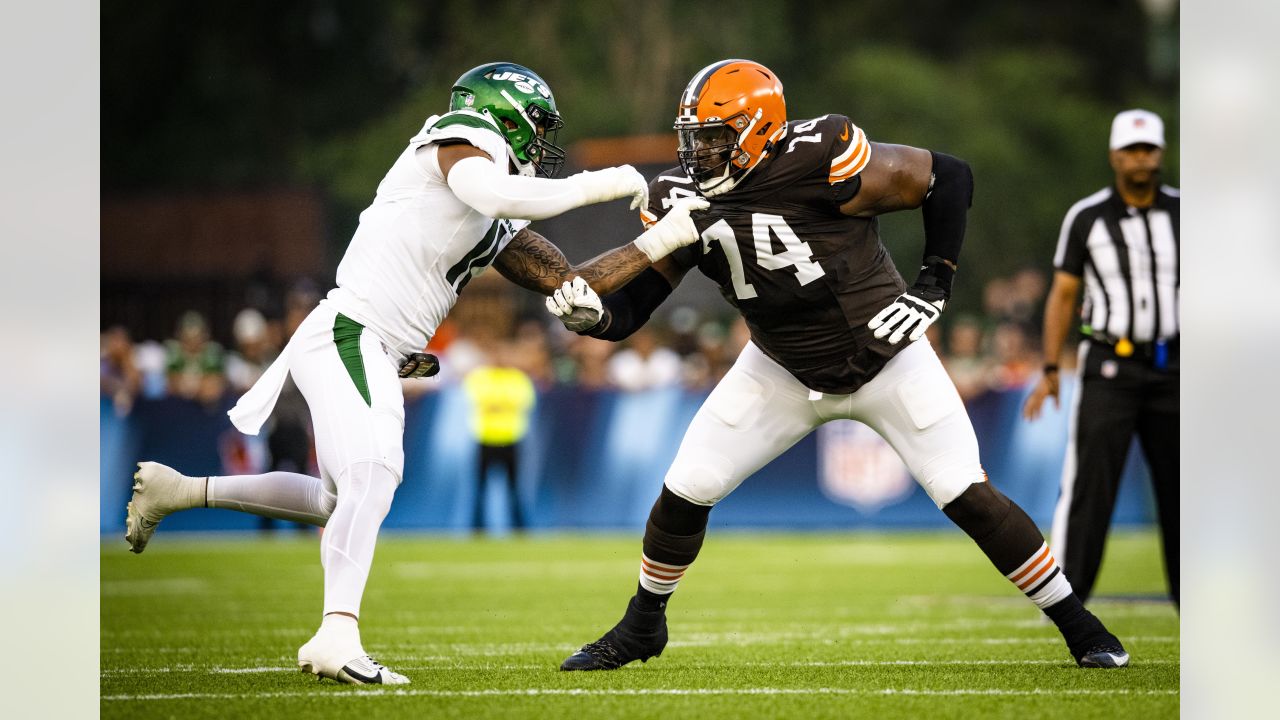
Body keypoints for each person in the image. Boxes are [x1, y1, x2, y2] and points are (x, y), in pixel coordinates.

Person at [123, 61, 709, 686]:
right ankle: (336, 634)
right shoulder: (462, 135)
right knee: (373, 476)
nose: (541, 145)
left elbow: (565, 281)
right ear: (501, 111)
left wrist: (659, 243)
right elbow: (498, 194)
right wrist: (611, 180)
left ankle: (181, 490)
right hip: (352, 330)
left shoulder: (490, 210)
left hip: (376, 343)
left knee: (337, 499)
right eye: (535, 126)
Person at [545, 59, 1129, 671]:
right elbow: (639, 303)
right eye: (694, 139)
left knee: (967, 494)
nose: (701, 153)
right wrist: (601, 322)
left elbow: (948, 177)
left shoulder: (817, 155)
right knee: (686, 489)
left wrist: (934, 283)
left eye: (716, 138)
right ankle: (642, 626)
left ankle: (1081, 627)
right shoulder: (679, 196)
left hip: (887, 357)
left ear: (760, 128)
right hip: (780, 368)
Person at [1022, 108, 1179, 607]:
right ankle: (1068, 601)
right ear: (1114, 155)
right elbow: (1062, 295)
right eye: (1131, 150)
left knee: (1183, 490)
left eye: (1148, 149)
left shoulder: (1187, 213)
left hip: (1176, 366)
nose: (1140, 158)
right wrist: (1050, 368)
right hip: (1109, 364)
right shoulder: (1087, 216)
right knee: (1090, 486)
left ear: (1161, 152)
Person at [462, 341, 536, 532]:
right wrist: (502, 403)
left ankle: (520, 529)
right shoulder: (481, 376)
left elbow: (523, 402)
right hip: (486, 439)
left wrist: (496, 404)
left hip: (510, 440)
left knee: (514, 489)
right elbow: (475, 398)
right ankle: (477, 529)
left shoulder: (517, 378)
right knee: (480, 488)